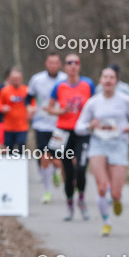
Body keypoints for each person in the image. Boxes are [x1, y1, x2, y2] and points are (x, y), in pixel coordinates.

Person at [75, 67, 129, 236]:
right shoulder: (93, 102)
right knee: (101, 188)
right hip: (98, 144)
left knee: (114, 192)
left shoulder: (125, 100)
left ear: (116, 81)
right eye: (105, 77)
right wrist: (89, 126)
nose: (108, 80)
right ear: (100, 80)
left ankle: (116, 199)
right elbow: (78, 127)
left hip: (119, 144)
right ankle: (106, 221)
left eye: (111, 77)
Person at [46, 54, 95, 221]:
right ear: (65, 67)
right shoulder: (59, 86)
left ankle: (81, 199)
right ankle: (69, 205)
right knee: (67, 170)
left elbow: (96, 106)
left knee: (81, 169)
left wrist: (94, 122)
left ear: (79, 66)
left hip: (82, 132)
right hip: (63, 132)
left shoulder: (88, 85)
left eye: (76, 63)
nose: (73, 66)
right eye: (69, 63)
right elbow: (49, 108)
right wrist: (61, 111)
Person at [26, 53, 66, 204]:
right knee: (44, 157)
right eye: (51, 63)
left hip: (60, 124)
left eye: (56, 63)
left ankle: (55, 173)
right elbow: (28, 97)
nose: (53, 66)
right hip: (41, 124)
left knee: (57, 161)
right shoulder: (37, 79)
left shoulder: (64, 79)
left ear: (60, 64)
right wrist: (30, 108)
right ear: (46, 63)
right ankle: (47, 191)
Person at [0, 67, 30, 153]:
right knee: (9, 151)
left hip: (22, 126)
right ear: (10, 79)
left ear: (21, 79)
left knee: (21, 147)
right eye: (14, 79)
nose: (16, 81)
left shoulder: (26, 91)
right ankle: (10, 165)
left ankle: (20, 165)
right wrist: (2, 108)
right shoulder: (5, 91)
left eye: (18, 79)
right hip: (8, 127)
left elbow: (32, 103)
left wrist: (31, 111)